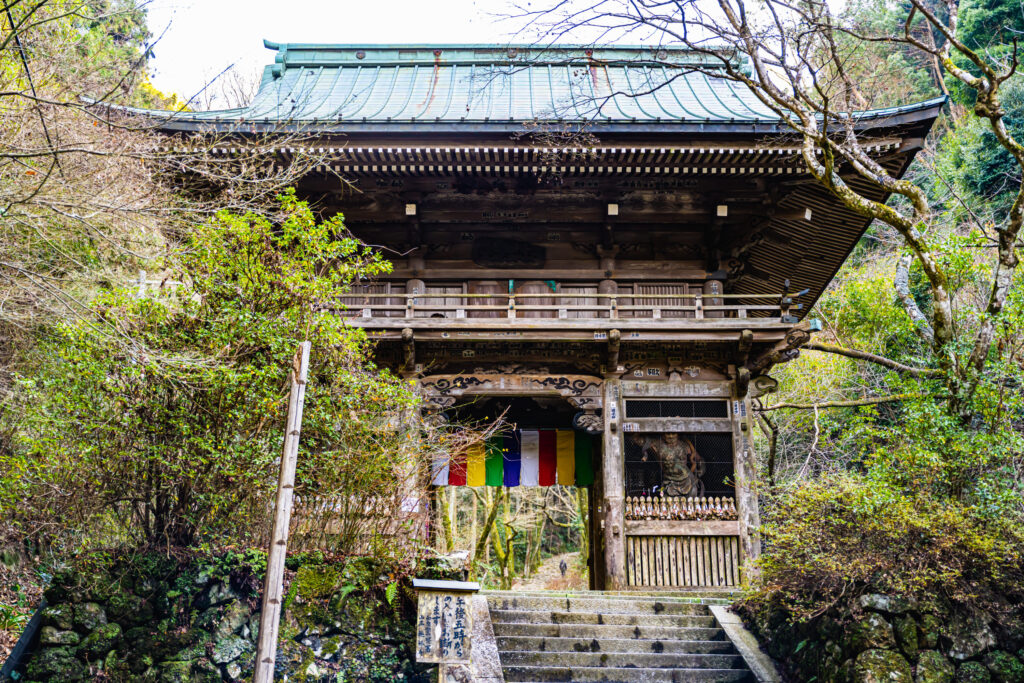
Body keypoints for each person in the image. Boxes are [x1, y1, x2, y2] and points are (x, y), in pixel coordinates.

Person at [630, 432, 705, 497]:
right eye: (668, 433)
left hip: (687, 481)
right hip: (669, 482)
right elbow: (636, 439)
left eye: (673, 433)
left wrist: (701, 466)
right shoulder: (657, 444)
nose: (671, 436)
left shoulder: (684, 445)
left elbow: (698, 459)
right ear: (663, 433)